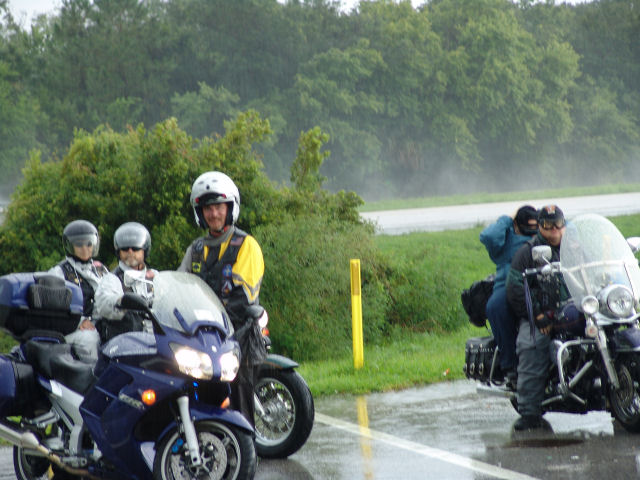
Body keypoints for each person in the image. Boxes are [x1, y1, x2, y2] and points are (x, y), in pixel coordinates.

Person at [178, 171, 266, 428]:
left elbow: (243, 298)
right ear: (200, 213)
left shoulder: (246, 245)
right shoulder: (196, 249)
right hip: (204, 337)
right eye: (208, 208)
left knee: (239, 397)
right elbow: (180, 285)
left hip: (239, 335)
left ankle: (246, 443)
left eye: (219, 207)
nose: (213, 213)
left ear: (230, 208)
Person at [506, 205, 570, 431]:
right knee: (533, 344)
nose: (554, 229)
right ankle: (529, 411)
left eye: (558, 224)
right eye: (547, 225)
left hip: (576, 308)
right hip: (544, 313)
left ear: (564, 224)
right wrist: (537, 315)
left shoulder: (575, 246)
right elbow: (514, 287)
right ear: (540, 226)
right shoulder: (528, 251)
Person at [479, 205, 538, 389]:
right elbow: (488, 236)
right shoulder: (506, 240)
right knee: (495, 307)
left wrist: (548, 216)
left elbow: (566, 229)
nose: (531, 232)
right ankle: (510, 365)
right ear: (516, 225)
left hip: (540, 283)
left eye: (535, 227)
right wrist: (507, 218)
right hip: (507, 285)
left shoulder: (544, 235)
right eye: (527, 228)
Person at [48, 219, 108, 359]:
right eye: (79, 244)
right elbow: (53, 309)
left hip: (101, 323)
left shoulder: (101, 269)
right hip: (73, 329)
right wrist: (79, 321)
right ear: (69, 246)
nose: (85, 249)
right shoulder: (59, 272)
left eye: (89, 244)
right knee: (90, 339)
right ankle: (92, 372)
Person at [93, 222, 157, 343]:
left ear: (145, 250)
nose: (130, 252)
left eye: (135, 248)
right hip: (124, 341)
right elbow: (103, 304)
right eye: (125, 248)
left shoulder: (155, 277)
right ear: (119, 252)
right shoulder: (112, 278)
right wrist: (121, 300)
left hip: (158, 338)